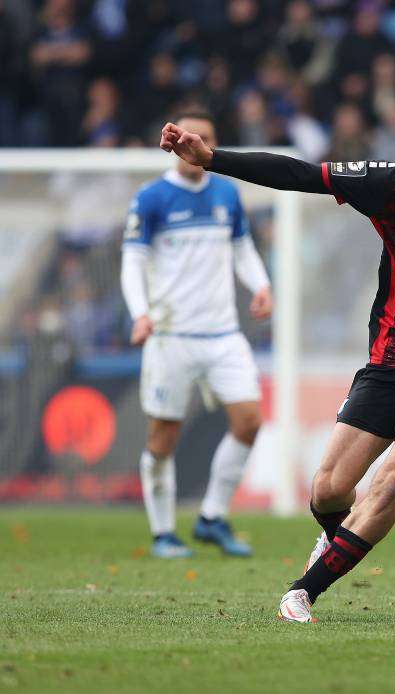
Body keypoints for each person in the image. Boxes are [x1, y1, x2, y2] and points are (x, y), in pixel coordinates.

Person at [160, 60, 395, 623]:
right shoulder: (392, 181)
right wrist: (213, 159)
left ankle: (303, 591)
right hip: (394, 359)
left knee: (393, 476)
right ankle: (339, 538)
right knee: (328, 489)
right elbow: (299, 173)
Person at [121, 109, 272, 559]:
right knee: (162, 436)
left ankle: (211, 518)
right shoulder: (151, 198)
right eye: (187, 135)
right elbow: (132, 260)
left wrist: (261, 284)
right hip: (171, 334)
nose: (194, 143)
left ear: (212, 142)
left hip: (223, 333)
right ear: (172, 143)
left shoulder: (226, 192)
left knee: (249, 421)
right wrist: (140, 313)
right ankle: (163, 532)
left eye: (203, 136)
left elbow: (242, 248)